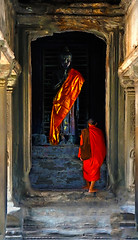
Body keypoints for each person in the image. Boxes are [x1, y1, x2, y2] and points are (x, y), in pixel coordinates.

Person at [49, 47, 85, 145]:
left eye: (68, 60)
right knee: (60, 119)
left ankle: (70, 137)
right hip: (60, 101)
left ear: (71, 61)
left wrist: (77, 106)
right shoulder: (56, 73)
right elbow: (53, 88)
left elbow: (77, 91)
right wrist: (62, 81)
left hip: (71, 101)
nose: (66, 62)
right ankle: (61, 137)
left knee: (71, 119)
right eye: (63, 60)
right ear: (60, 61)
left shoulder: (74, 75)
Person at [78, 118, 106, 193]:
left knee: (86, 170)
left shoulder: (84, 132)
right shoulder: (99, 132)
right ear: (96, 124)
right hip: (96, 154)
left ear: (88, 124)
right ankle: (90, 187)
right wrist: (103, 154)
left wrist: (80, 154)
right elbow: (102, 144)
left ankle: (89, 187)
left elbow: (81, 144)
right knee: (94, 170)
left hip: (87, 154)